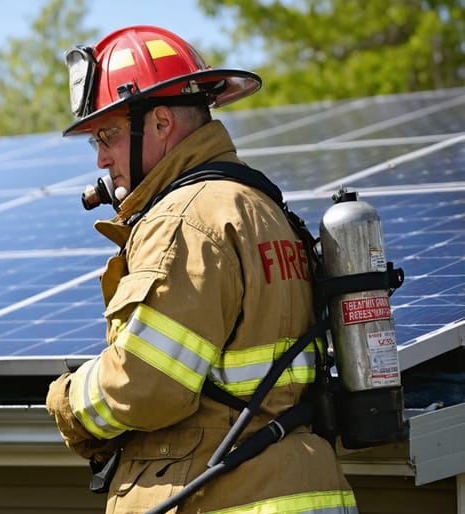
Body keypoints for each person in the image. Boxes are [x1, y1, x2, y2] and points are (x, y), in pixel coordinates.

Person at [46, 26, 358, 513]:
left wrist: (65, 402)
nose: (103, 158)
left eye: (106, 136)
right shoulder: (260, 207)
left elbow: (148, 385)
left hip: (225, 490)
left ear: (161, 122)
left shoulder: (183, 220)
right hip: (302, 483)